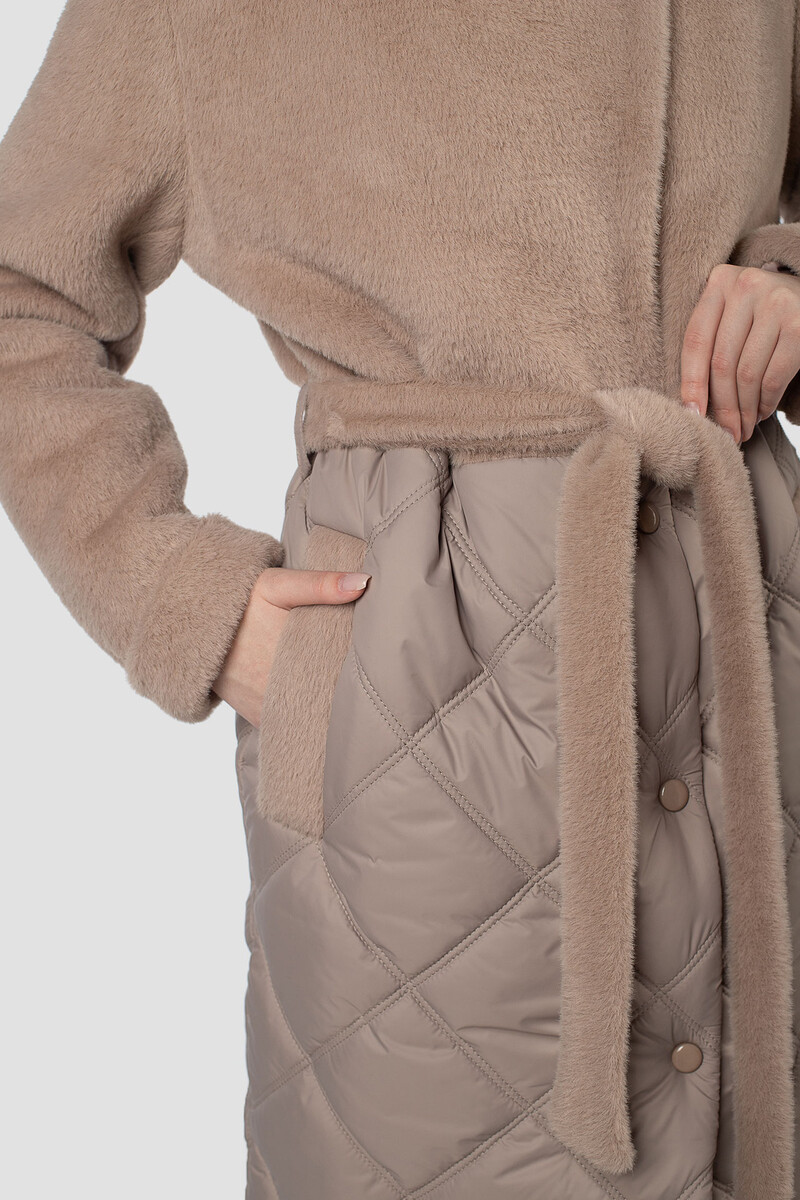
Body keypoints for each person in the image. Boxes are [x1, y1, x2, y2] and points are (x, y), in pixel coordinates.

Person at [2, 2, 800, 1197]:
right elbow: (21, 289)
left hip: (745, 669)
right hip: (416, 714)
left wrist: (787, 279)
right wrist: (186, 600)